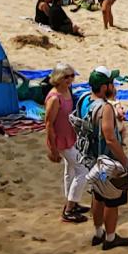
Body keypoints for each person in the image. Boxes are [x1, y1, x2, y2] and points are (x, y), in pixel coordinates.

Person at [78, 68, 128, 250]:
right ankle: (110, 238)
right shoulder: (105, 107)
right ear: (104, 86)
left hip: (92, 160)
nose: (114, 86)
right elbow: (109, 137)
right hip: (107, 164)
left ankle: (98, 232)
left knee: (98, 195)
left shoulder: (84, 99)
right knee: (111, 199)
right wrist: (124, 160)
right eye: (112, 83)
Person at [44, 63, 89, 223]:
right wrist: (53, 148)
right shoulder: (55, 98)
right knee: (82, 170)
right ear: (58, 78)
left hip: (70, 137)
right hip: (60, 140)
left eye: (72, 75)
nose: (70, 79)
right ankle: (69, 209)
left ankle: (72, 202)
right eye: (66, 76)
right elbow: (48, 123)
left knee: (70, 170)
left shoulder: (67, 92)